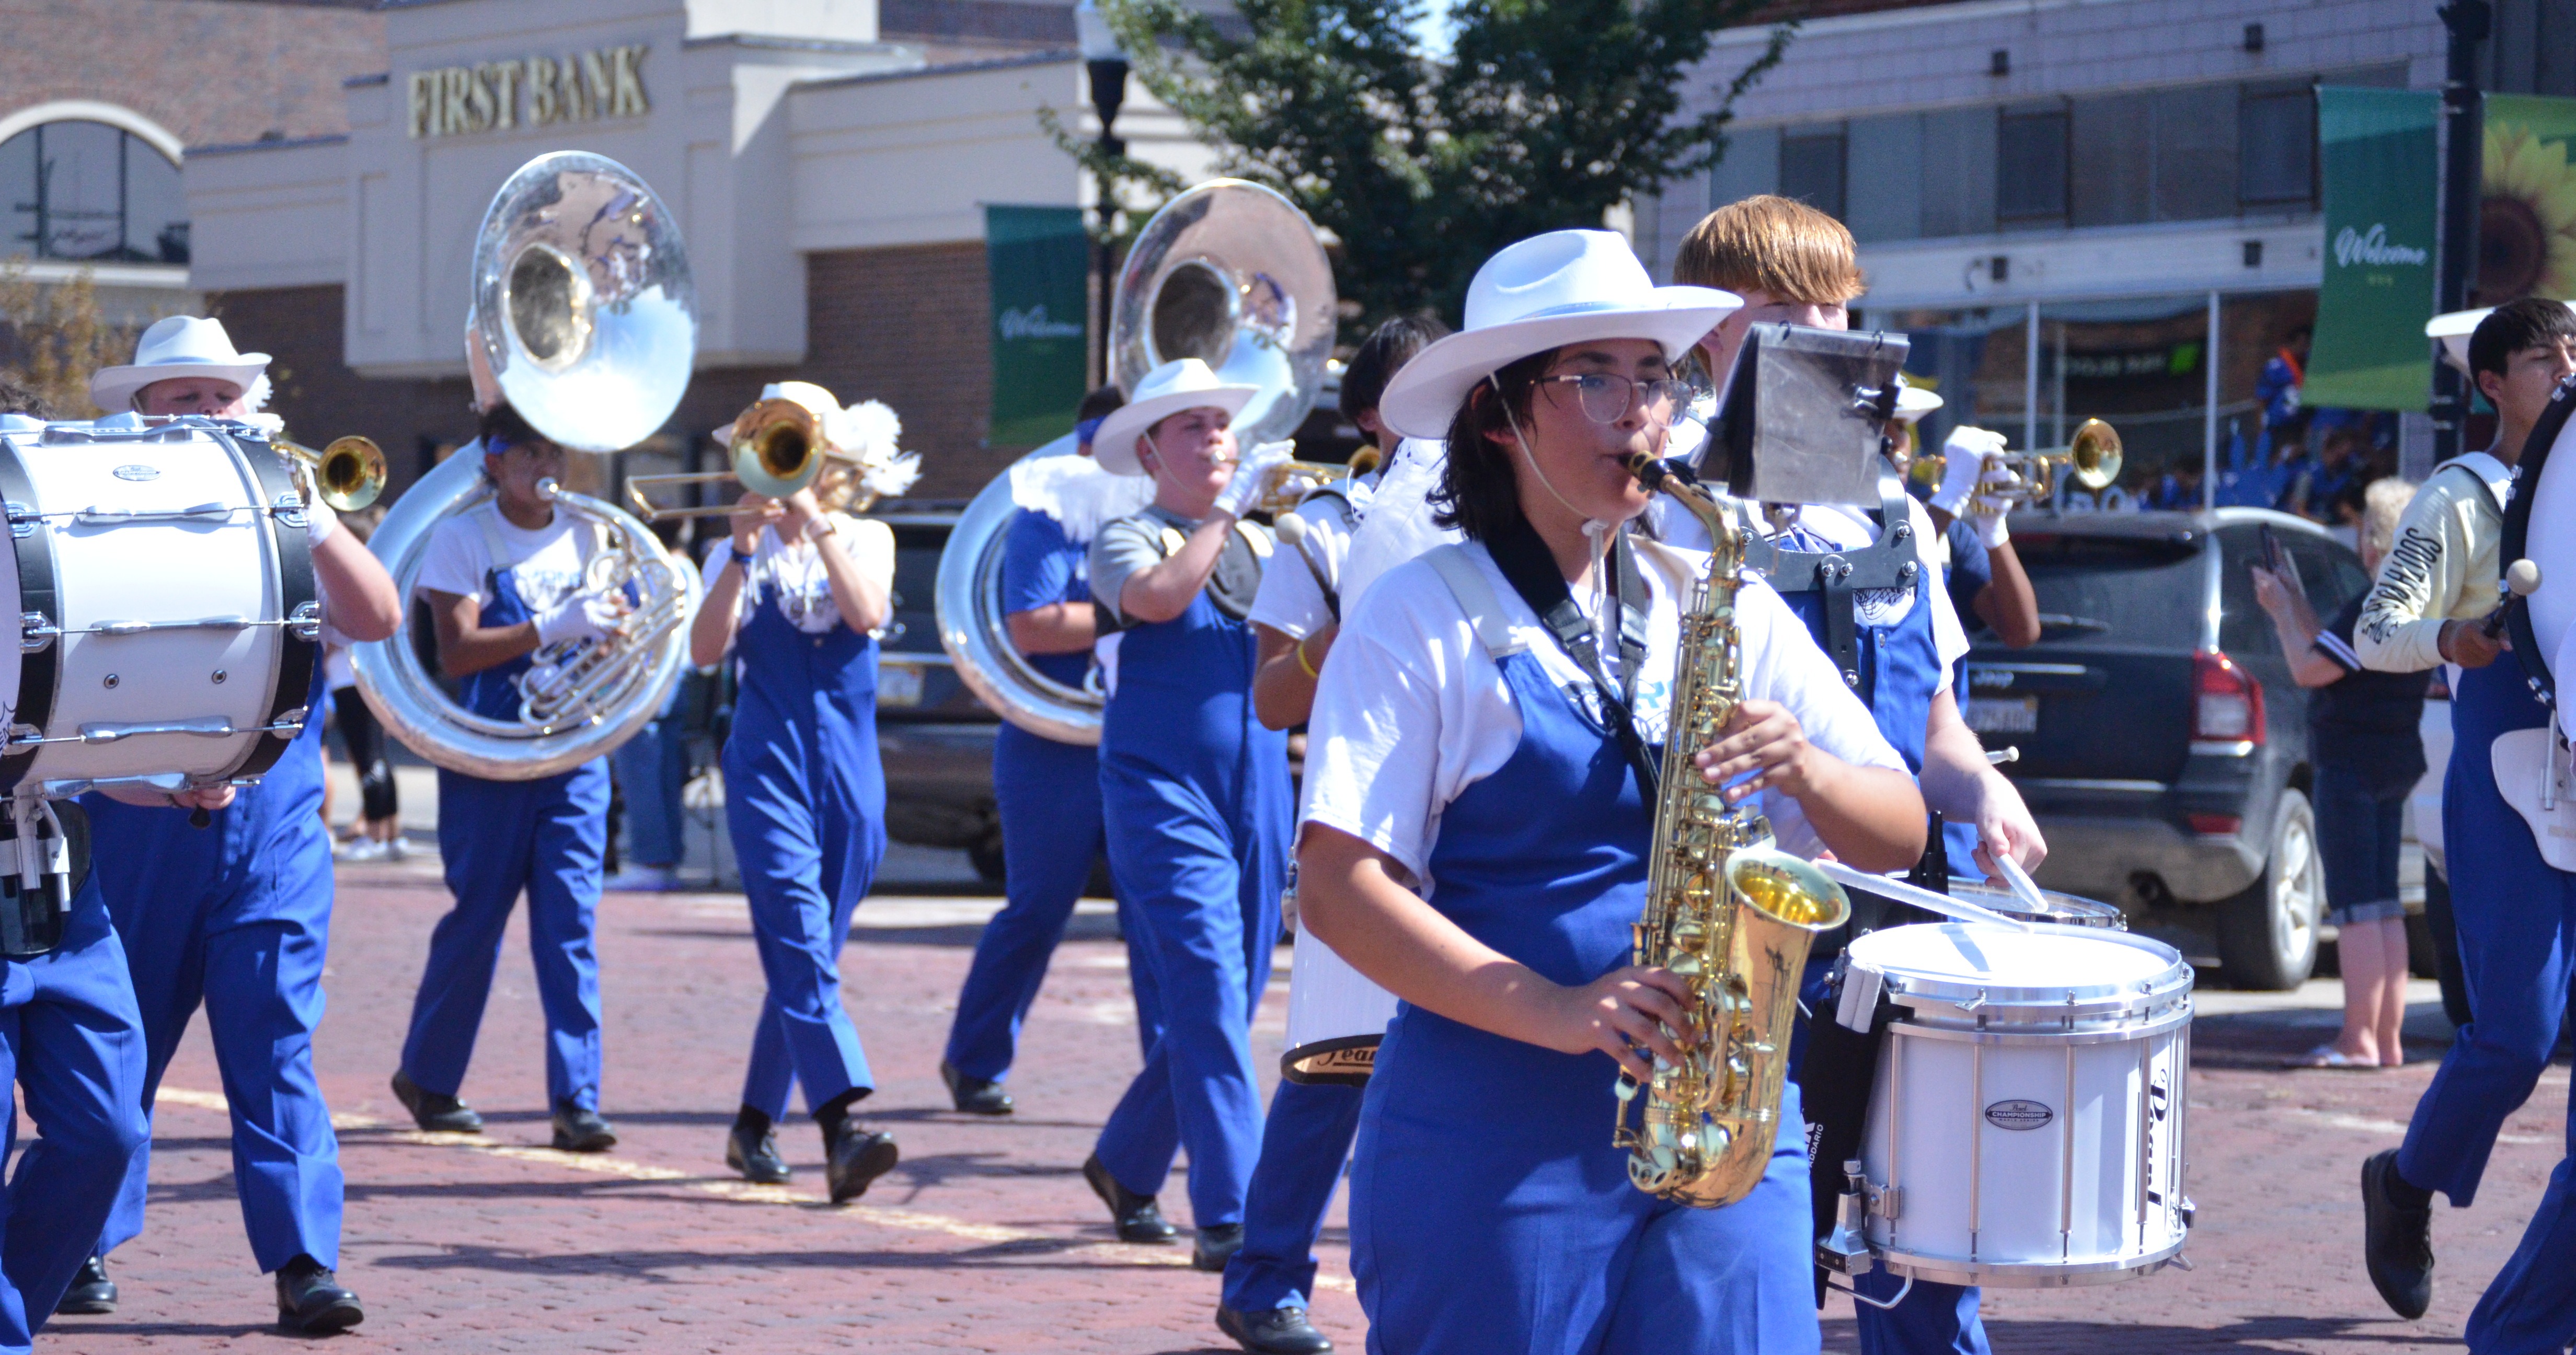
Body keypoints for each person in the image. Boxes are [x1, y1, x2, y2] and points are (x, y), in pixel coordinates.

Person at [1296, 228, 1924, 1355]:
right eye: (1593, 379)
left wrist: (1808, 768)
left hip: (1723, 1119)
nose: (1641, 412)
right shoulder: (1418, 614)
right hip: (1497, 1134)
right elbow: (1338, 890)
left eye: (1655, 377)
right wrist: (1557, 1010)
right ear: (1501, 415)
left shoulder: (1714, 592)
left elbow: (1897, 830)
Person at [1673, 194, 2047, 1355]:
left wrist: (1986, 791)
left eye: (1838, 305)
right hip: (1746, 916)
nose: (1824, 330)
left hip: (1894, 906)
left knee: (1922, 1235)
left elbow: (1930, 728)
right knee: (1755, 1235)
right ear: (1706, 331)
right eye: (1785, 309)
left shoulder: (1896, 513)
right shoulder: (1670, 504)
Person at [72, 315, 405, 1331]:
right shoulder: (100, 516)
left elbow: (381, 616)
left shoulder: (287, 498)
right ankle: (80, 1234)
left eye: (222, 396)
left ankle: (303, 1258)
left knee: (274, 1040)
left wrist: (314, 518)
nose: (209, 413)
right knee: (123, 1043)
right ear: (140, 413)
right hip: (135, 815)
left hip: (273, 823)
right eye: (184, 396)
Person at [1216, 315, 1445, 1355]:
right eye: (1409, 397)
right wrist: (1342, 632)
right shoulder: (1322, 526)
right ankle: (1264, 1277)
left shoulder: (1510, 510)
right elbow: (1268, 700)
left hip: (1479, 804)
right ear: (1367, 416)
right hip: (1367, 813)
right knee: (1333, 1063)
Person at [2353, 295, 2576, 1339]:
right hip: (2508, 778)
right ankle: (2402, 1185)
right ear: (2490, 383)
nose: (2569, 366)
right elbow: (2374, 629)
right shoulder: (2461, 494)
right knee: (2515, 1037)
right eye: (2546, 357)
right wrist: (2455, 639)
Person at [1080, 357, 1296, 1273]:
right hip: (1161, 783)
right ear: (1151, 451)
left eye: (1221, 423)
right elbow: (1158, 599)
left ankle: (1126, 1161)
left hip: (1260, 786)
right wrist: (1223, 515)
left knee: (1230, 1000)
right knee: (1208, 988)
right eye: (1193, 427)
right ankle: (1231, 1213)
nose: (1215, 438)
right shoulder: (1126, 533)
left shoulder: (1265, 541)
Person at [691, 384, 915, 1201]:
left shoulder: (868, 536)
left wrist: (816, 527)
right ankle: (842, 1124)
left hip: (851, 770)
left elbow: (866, 614)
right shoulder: (734, 549)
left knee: (807, 959)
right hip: (767, 762)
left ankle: (754, 1123)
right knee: (796, 935)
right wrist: (741, 553)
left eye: (794, 444)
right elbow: (705, 653)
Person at [393, 400, 631, 1156]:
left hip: (572, 752)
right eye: (523, 452)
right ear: (491, 460)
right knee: (478, 922)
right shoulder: (463, 537)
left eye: (552, 452)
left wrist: (611, 633)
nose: (543, 467)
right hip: (490, 751)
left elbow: (621, 641)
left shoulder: (595, 532)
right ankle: (429, 1076)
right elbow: (457, 652)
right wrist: (551, 629)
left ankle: (577, 1099)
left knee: (570, 929)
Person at [941, 385, 1172, 1121]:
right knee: (1039, 906)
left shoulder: (1167, 519)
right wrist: (1142, 600)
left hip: (1141, 733)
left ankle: (1168, 1080)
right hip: (1052, 741)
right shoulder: (1049, 511)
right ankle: (974, 1058)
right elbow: (1032, 624)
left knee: (1153, 915)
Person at [0, 386, 152, 1348]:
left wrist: (176, 779)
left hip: (57, 878)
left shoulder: (59, 557)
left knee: (108, 1131)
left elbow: (89, 742)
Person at [2252, 478, 2426, 1069]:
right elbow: (2327, 646)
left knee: (2353, 905)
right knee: (2382, 902)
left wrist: (2279, 611)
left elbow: (2307, 669)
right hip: (2393, 758)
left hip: (2350, 763)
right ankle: (2386, 1039)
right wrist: (2296, 597)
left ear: (2376, 541)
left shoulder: (2372, 606)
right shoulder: (2413, 601)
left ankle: (2357, 1038)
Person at [326, 507, 409, 862]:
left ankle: (376, 835)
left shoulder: (354, 584)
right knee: (375, 758)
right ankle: (389, 832)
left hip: (351, 679)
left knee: (368, 758)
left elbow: (339, 635)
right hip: (362, 680)